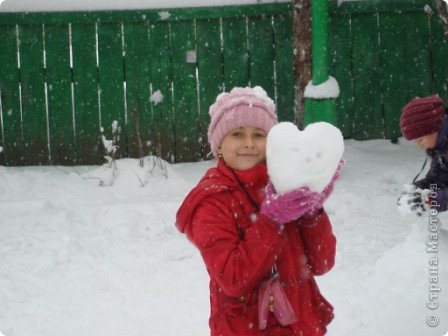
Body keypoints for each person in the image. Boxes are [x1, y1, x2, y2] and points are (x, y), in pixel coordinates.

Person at [176, 86, 340, 336]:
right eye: (237, 134)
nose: (249, 144)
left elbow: (322, 263)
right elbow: (233, 279)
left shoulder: (284, 188)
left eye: (259, 135)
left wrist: (312, 215)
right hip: (245, 328)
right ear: (219, 145)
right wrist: (271, 221)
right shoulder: (211, 202)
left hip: (299, 324)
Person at [397, 95, 448, 216]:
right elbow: (439, 178)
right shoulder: (441, 147)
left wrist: (431, 200)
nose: (420, 146)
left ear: (435, 128)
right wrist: (416, 190)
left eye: (420, 140)